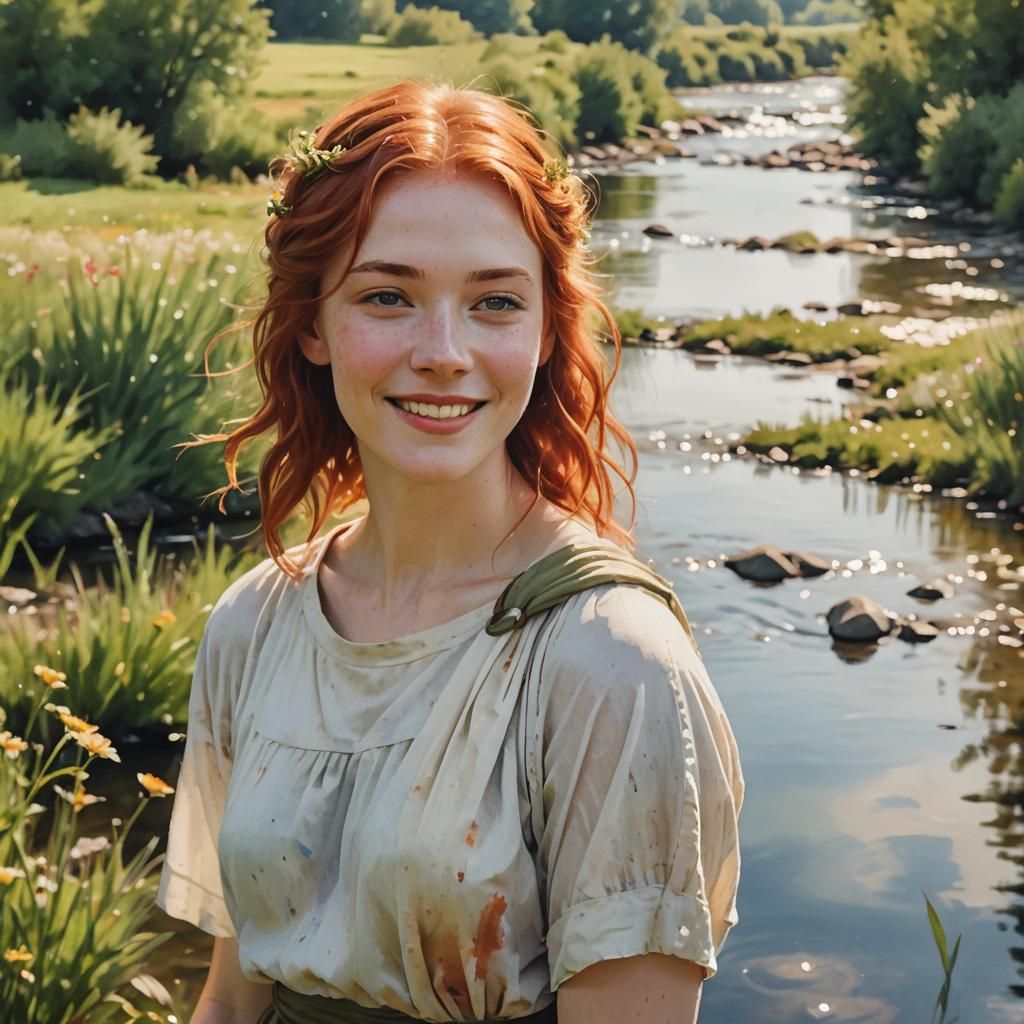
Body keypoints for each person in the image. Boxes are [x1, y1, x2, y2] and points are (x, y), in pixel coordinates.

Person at [156, 80, 743, 1024]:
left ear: (549, 329)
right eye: (388, 296)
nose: (443, 351)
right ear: (312, 324)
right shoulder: (257, 622)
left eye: (494, 303)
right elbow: (230, 1000)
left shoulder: (611, 663)